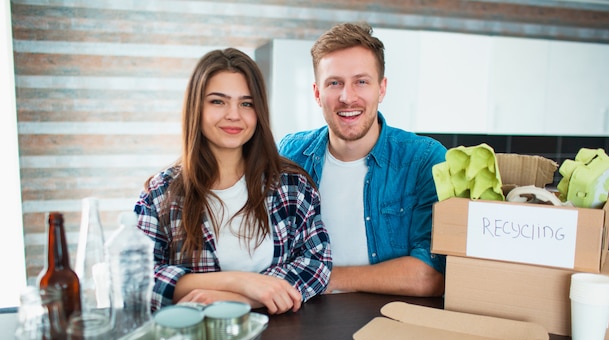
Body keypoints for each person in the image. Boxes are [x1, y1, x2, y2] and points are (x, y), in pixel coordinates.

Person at [135, 48, 331, 315]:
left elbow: (316, 262)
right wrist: (239, 281)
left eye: (246, 103)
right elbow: (136, 280)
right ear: (196, 108)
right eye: (218, 101)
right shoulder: (161, 193)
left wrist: (241, 299)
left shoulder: (292, 185)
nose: (233, 115)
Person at [279, 22, 446, 297]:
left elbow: (431, 275)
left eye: (361, 81)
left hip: (387, 322)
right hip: (302, 316)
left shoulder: (425, 159)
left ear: (381, 88)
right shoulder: (290, 155)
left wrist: (321, 277)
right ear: (317, 93)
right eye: (335, 83)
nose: (347, 97)